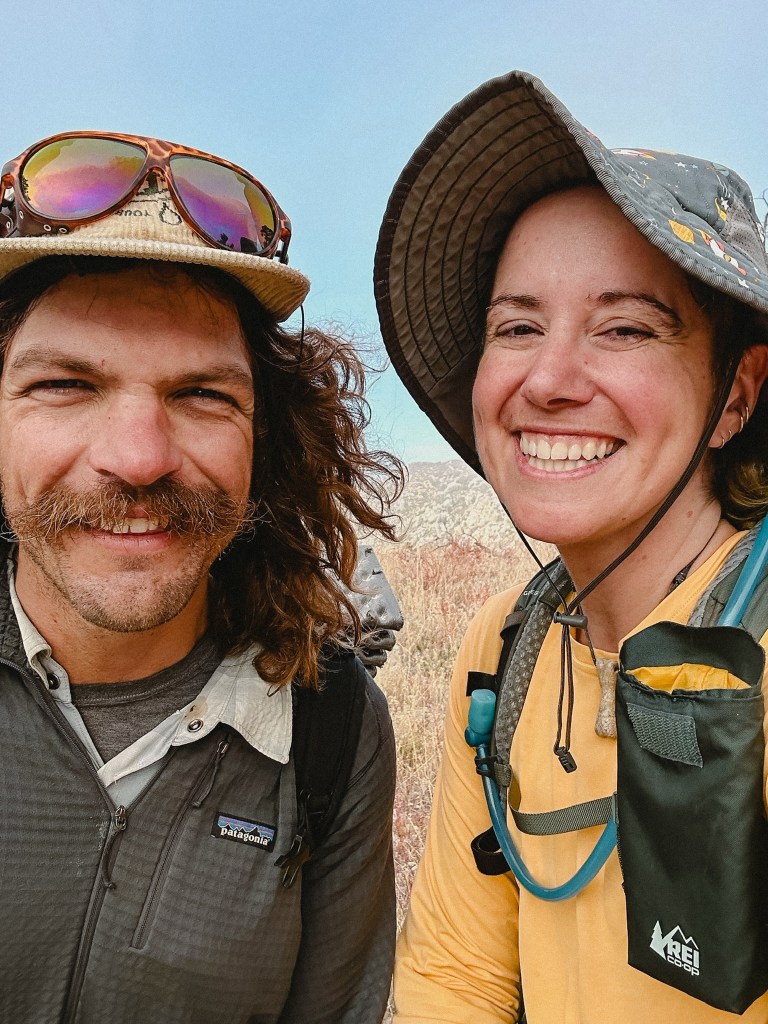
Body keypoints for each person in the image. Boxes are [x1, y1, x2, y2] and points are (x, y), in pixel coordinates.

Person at [374, 71, 768, 1022]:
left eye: (624, 328)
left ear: (737, 396)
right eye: (517, 326)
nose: (549, 379)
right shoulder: (504, 647)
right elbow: (456, 978)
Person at [0, 131, 402, 1023]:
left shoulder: (333, 731)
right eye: (66, 384)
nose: (139, 458)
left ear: (267, 437)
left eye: (202, 395)